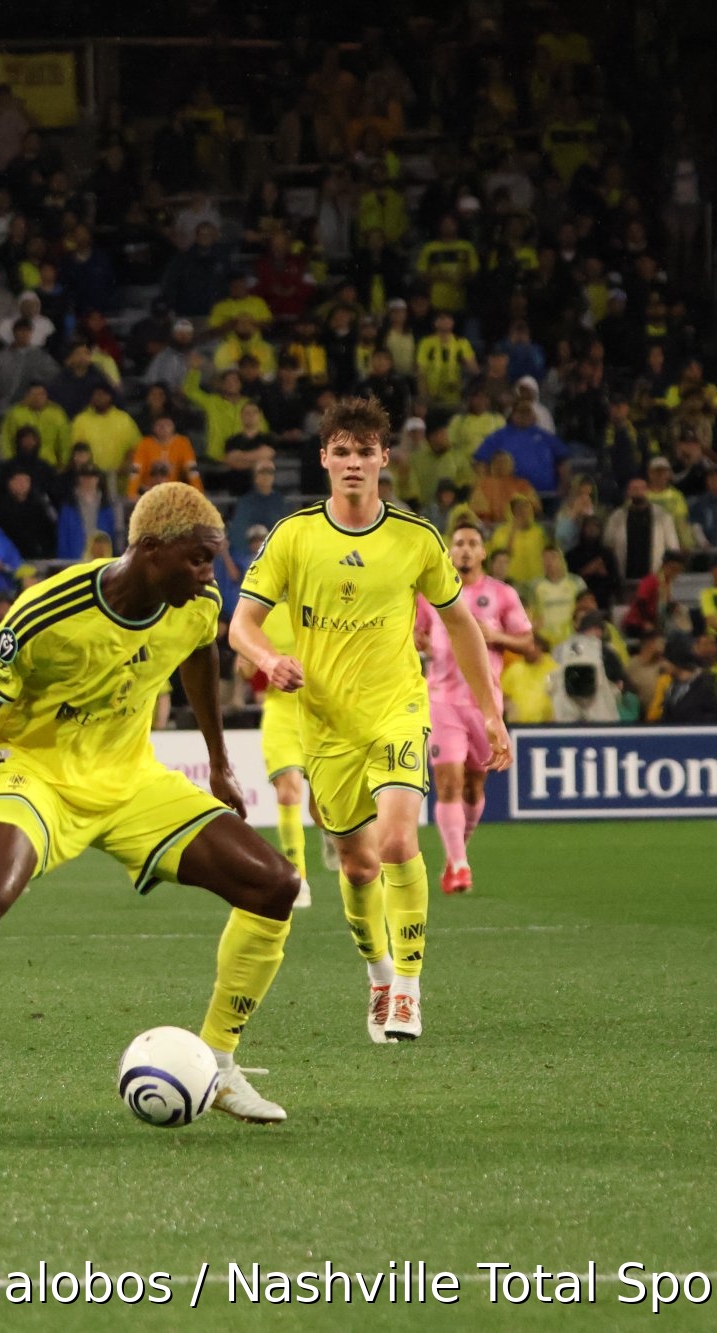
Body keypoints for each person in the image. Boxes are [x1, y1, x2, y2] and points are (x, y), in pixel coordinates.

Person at [0, 483, 301, 1145]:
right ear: (149, 550)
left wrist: (217, 760)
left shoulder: (195, 600)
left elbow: (199, 658)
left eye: (212, 561)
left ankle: (217, 1062)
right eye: (196, 559)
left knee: (276, 884)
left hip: (130, 780)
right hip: (35, 773)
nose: (209, 575)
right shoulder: (50, 609)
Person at [229, 397, 509, 1045]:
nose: (354, 462)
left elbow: (460, 621)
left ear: (385, 458)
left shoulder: (416, 538)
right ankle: (379, 973)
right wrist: (272, 658)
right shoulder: (295, 535)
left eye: (365, 452)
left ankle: (408, 988)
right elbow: (241, 626)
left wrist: (490, 712)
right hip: (325, 724)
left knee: (398, 842)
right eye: (342, 451)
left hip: (398, 709)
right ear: (325, 457)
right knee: (357, 866)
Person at [415, 521, 536, 895]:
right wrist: (422, 643)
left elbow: (528, 642)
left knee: (474, 786)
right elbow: (413, 631)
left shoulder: (501, 595)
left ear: (483, 552)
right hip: (441, 701)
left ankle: (457, 853)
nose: (465, 550)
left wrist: (496, 635)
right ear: (450, 552)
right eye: (459, 544)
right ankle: (461, 866)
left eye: (472, 544)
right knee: (448, 783)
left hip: (484, 704)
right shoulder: (431, 594)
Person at [236, 601, 314, 904]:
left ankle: (331, 835)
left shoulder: (316, 599)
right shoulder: (259, 611)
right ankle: (298, 878)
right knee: (288, 793)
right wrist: (247, 662)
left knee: (323, 808)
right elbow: (247, 670)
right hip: (280, 712)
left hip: (320, 711)